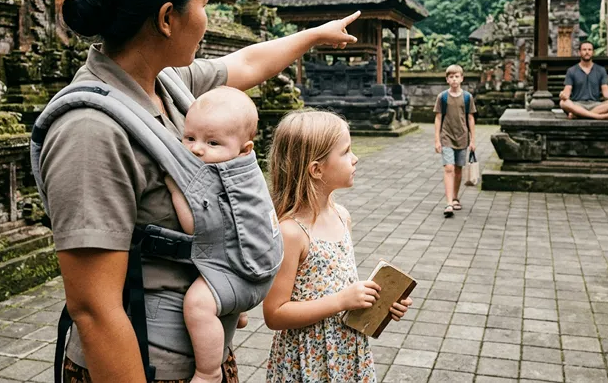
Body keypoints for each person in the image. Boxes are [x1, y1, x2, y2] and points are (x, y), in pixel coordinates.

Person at [39, 0, 362, 383]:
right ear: (168, 17)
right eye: (205, 4)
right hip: (147, 364)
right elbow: (93, 310)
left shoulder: (167, 84)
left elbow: (247, 63)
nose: (209, 18)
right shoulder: (90, 131)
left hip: (200, 353)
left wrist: (313, 35)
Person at [263, 110, 412, 382]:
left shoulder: (342, 216)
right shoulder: (291, 232)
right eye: (345, 152)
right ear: (316, 169)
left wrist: (378, 305)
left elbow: (341, 287)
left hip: (346, 350)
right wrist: (341, 301)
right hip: (307, 357)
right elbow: (275, 314)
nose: (355, 158)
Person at [163, 86, 258, 383]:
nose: (196, 149)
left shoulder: (221, 180)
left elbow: (196, 227)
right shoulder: (243, 170)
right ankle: (236, 308)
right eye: (189, 138)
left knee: (197, 304)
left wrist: (175, 187)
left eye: (212, 142)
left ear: (245, 150)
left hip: (241, 270)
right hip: (252, 262)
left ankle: (208, 372)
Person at [433, 64, 476, 218]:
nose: (454, 79)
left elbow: (470, 118)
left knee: (458, 169)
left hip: (463, 137)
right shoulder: (442, 97)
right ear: (447, 79)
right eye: (451, 77)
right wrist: (437, 139)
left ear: (462, 78)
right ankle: (449, 202)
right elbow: (438, 118)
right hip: (446, 136)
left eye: (457, 76)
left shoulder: (467, 97)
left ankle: (456, 197)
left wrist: (473, 140)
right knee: (449, 168)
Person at [558, 41, 608, 120]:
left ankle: (578, 115)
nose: (587, 52)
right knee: (563, 103)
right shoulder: (571, 70)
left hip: (596, 104)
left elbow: (606, 92)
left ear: (593, 52)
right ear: (579, 52)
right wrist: (563, 95)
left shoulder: (601, 70)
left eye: (589, 50)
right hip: (577, 104)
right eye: (584, 50)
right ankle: (599, 116)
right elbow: (567, 91)